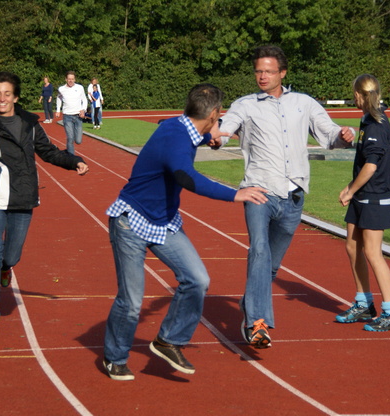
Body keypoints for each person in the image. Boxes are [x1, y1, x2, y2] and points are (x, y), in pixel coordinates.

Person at [102, 83, 268, 381]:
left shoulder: (180, 126)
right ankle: (114, 358)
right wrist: (235, 195)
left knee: (197, 279)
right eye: (219, 119)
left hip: (163, 221)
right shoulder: (176, 138)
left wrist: (210, 137)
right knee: (132, 301)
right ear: (215, 113)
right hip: (131, 221)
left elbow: (189, 136)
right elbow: (186, 177)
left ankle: (169, 341)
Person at [217, 45, 355, 349]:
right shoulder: (245, 104)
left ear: (283, 73)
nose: (262, 76)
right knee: (259, 252)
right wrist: (215, 136)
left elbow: (329, 134)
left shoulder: (304, 104)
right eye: (258, 70)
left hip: (293, 196)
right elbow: (224, 130)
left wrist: (345, 135)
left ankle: (250, 303)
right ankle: (257, 323)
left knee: (272, 266)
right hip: (259, 191)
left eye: (268, 71)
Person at [0, 72, 89, 336]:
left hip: (23, 195)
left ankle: (7, 268)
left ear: (16, 97)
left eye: (7, 94)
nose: (2, 99)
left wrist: (73, 160)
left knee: (10, 256)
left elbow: (48, 151)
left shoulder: (30, 123)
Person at [336, 74, 390, 332]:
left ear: (361, 94)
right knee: (352, 247)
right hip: (363, 195)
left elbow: (372, 166)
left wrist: (350, 189)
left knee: (373, 253)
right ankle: (363, 303)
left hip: (375, 195)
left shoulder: (376, 124)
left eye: (355, 93)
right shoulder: (367, 119)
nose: (354, 97)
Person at [55, 71, 88, 155]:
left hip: (78, 116)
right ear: (66, 79)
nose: (70, 81)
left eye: (72, 79)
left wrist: (83, 110)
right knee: (70, 138)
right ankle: (71, 158)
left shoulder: (80, 88)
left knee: (78, 140)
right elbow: (59, 98)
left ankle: (69, 151)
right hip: (67, 116)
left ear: (75, 79)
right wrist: (58, 110)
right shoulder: (61, 89)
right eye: (69, 79)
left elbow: (84, 99)